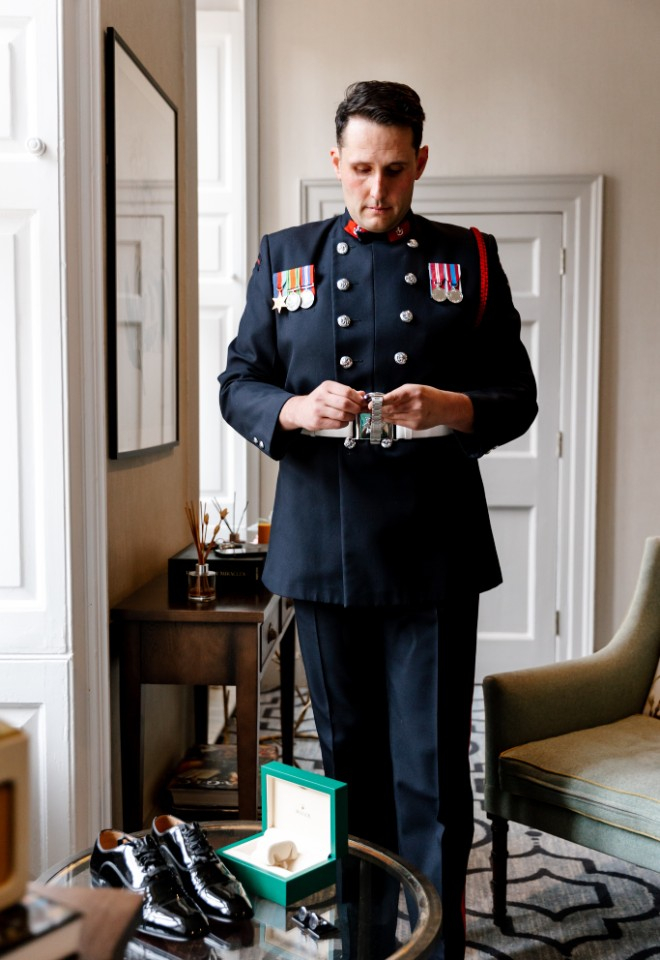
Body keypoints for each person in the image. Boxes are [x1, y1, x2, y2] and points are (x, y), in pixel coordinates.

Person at [219, 80, 537, 960]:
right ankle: (364, 948)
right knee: (345, 772)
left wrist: (449, 404)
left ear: (421, 163)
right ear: (336, 164)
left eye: (395, 171)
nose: (377, 189)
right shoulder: (286, 257)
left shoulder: (469, 258)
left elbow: (517, 397)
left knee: (432, 773)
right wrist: (292, 410)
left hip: (433, 553)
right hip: (323, 552)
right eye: (360, 169)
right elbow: (238, 380)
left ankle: (433, 952)